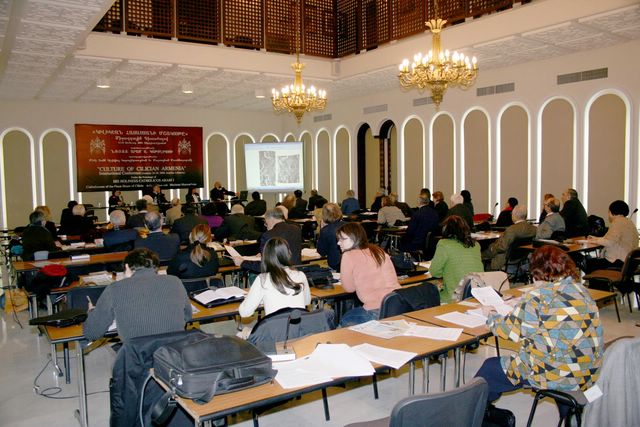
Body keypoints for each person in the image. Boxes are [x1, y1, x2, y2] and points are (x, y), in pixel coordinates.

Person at [475, 245, 603, 423]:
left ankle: (476, 415)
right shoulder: (581, 291)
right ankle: (571, 416)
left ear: (537, 272)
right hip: (586, 372)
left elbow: (507, 330)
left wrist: (490, 316)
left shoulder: (538, 297)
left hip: (555, 374)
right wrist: (523, 304)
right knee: (561, 358)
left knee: (490, 369)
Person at [84, 248, 192, 342]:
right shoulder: (175, 281)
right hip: (175, 354)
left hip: (138, 358)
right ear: (155, 267)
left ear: (127, 267)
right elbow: (187, 316)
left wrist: (92, 312)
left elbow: (92, 333)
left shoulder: (115, 288)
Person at [337, 222, 400, 326]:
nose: (338, 243)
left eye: (342, 239)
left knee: (344, 320)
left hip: (375, 310)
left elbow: (349, 289)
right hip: (397, 304)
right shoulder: (378, 250)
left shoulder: (348, 255)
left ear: (355, 238)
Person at [239, 237, 310, 318]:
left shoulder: (262, 279)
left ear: (265, 257)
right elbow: (307, 301)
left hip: (275, 329)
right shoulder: (300, 275)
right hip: (298, 328)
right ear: (289, 254)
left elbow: (244, 312)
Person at [429, 215, 484, 303]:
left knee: (426, 294)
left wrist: (445, 273)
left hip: (454, 297)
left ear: (445, 229)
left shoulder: (444, 244)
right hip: (477, 294)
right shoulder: (476, 245)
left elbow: (434, 272)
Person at [233, 208, 301, 273]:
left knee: (252, 275)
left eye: (266, 222)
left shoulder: (268, 235)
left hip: (277, 276)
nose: (266, 225)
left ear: (271, 219)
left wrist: (242, 262)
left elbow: (264, 265)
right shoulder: (296, 229)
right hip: (296, 272)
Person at [585, 200, 639, 272]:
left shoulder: (618, 222)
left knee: (589, 263)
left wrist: (594, 240)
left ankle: (596, 281)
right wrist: (595, 238)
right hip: (629, 263)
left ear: (612, 212)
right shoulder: (629, 222)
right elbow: (612, 238)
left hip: (618, 262)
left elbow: (609, 242)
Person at [482, 205, 536, 271]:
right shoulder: (533, 229)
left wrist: (492, 248)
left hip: (503, 259)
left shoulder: (511, 230)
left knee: (479, 255)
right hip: (520, 258)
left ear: (514, 215)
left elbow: (502, 247)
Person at [316, 203, 344, 271]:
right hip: (352, 261)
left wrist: (322, 229)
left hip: (335, 264)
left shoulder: (325, 230)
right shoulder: (350, 225)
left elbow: (321, 252)